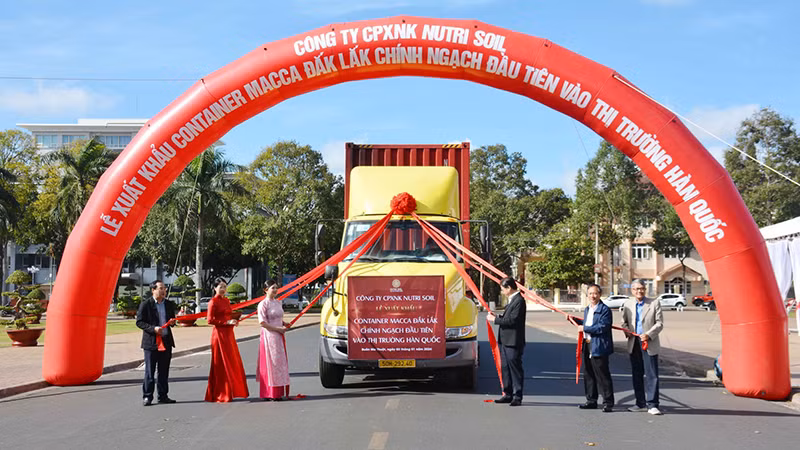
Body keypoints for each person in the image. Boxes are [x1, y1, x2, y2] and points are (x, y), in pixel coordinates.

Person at [621, 279, 664, 415]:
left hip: (648, 342)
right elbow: (624, 322)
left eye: (642, 288)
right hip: (634, 342)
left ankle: (652, 404)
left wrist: (649, 334)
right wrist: (626, 330)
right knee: (637, 374)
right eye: (636, 289)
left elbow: (659, 323)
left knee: (651, 374)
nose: (639, 291)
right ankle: (640, 403)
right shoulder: (627, 304)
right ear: (632, 290)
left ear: (645, 289)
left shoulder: (654, 303)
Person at [205, 278, 249, 402]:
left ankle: (230, 391)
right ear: (215, 288)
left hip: (229, 334)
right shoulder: (213, 302)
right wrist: (226, 322)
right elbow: (210, 320)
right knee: (220, 364)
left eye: (225, 287)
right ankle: (220, 393)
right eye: (221, 287)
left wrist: (233, 321)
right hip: (219, 335)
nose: (223, 289)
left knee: (231, 363)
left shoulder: (226, 300)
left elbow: (228, 315)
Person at [136, 280, 177, 406]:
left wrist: (172, 322)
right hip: (151, 343)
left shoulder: (169, 304)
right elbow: (139, 322)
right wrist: (153, 329)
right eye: (160, 288)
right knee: (150, 371)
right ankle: (148, 396)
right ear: (153, 290)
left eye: (164, 288)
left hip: (166, 341)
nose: (163, 291)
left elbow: (172, 320)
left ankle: (163, 395)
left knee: (163, 371)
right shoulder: (146, 304)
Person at [487, 277, 527, 406]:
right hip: (505, 341)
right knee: (505, 368)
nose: (502, 291)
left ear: (509, 288)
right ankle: (507, 393)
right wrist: (497, 316)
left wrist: (495, 320)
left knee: (515, 369)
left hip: (514, 341)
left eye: (503, 289)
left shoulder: (519, 301)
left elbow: (513, 321)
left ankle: (517, 395)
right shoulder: (512, 300)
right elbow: (507, 317)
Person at [575, 283, 614, 412]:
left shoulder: (604, 310)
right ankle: (591, 400)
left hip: (599, 346)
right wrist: (573, 320)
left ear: (600, 294)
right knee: (589, 374)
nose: (593, 296)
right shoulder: (588, 309)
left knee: (602, 374)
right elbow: (587, 323)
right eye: (590, 293)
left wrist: (584, 328)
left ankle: (608, 402)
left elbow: (602, 327)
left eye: (595, 293)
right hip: (587, 344)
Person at [257, 279, 291, 400]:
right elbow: (263, 323)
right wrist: (277, 328)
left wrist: (284, 323)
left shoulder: (278, 303)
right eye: (273, 288)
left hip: (279, 336)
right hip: (269, 336)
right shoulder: (263, 304)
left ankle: (278, 391)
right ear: (266, 290)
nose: (275, 290)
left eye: (276, 287)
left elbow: (278, 318)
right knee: (271, 363)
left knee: (279, 363)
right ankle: (270, 393)